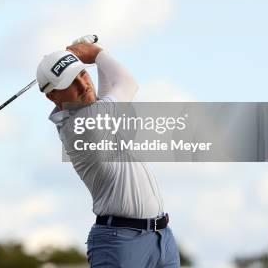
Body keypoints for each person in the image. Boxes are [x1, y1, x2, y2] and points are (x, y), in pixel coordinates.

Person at [36, 35, 180, 267]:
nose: (83, 85)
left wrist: (95, 61)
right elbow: (127, 83)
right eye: (70, 83)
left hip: (161, 237)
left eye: (82, 73)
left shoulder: (93, 112)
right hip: (120, 242)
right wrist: (97, 54)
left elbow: (103, 92)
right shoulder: (82, 125)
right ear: (53, 96)